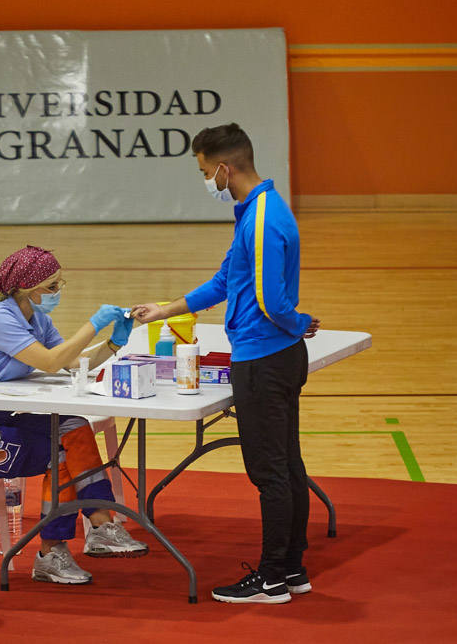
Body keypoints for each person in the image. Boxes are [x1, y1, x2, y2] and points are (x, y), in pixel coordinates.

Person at [132, 122, 320, 605]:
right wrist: (167, 309)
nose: (206, 181)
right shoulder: (258, 211)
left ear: (223, 167)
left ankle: (273, 577)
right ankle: (293, 568)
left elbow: (271, 300)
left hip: (264, 360)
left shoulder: (260, 220)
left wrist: (299, 321)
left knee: (269, 473)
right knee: (287, 465)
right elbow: (225, 280)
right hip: (275, 356)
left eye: (204, 172)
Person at [0, 245, 148, 585]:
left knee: (73, 426)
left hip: (2, 414)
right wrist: (93, 324)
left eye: (59, 284)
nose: (56, 292)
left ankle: (101, 526)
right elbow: (49, 362)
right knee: (58, 451)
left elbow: (70, 366)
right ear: (26, 290)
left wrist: (114, 342)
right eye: (51, 287)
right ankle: (50, 553)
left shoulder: (39, 320)